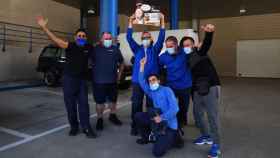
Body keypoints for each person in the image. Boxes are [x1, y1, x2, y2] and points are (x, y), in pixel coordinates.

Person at [36, 16, 96, 138]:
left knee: (84, 105)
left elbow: (99, 46)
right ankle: (74, 127)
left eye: (83, 36)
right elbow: (55, 40)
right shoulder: (70, 46)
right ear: (75, 37)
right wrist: (44, 28)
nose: (81, 37)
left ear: (86, 38)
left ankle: (86, 127)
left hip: (82, 82)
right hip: (69, 80)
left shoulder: (89, 48)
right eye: (79, 36)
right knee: (70, 106)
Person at [180, 24, 221, 158]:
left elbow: (206, 44)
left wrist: (209, 34)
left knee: (212, 116)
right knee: (197, 115)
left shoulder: (199, 52)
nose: (186, 47)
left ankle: (216, 146)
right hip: (197, 89)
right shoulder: (186, 58)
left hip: (210, 86)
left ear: (193, 45)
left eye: (188, 44)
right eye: (184, 45)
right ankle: (206, 136)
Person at [126, 13, 166, 136]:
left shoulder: (155, 49)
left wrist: (162, 20)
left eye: (148, 37)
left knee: (150, 105)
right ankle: (135, 126)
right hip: (137, 82)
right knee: (136, 105)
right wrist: (130, 21)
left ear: (151, 40)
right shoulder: (137, 49)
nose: (145, 39)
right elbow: (129, 38)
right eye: (143, 37)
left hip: (151, 83)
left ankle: (149, 126)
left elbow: (161, 37)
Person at [135, 57, 179, 157]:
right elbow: (141, 81)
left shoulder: (167, 90)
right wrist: (142, 66)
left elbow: (175, 108)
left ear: (159, 81)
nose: (151, 82)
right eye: (150, 81)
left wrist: (162, 117)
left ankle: (175, 136)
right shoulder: (151, 92)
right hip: (157, 120)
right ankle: (146, 137)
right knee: (138, 116)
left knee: (157, 153)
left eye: (153, 80)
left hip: (168, 124)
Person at [91, 32, 125, 131]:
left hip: (112, 81)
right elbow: (89, 61)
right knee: (100, 102)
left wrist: (119, 75)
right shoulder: (95, 49)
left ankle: (112, 116)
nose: (108, 40)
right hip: (99, 82)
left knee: (113, 101)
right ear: (101, 39)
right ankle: (100, 119)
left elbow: (121, 62)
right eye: (106, 38)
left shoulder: (115, 49)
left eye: (110, 38)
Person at [159, 36, 192, 130]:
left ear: (177, 45)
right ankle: (172, 122)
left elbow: (196, 56)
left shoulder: (184, 53)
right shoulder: (163, 56)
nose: (169, 48)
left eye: (171, 46)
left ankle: (182, 122)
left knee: (184, 106)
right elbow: (157, 66)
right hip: (171, 86)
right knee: (170, 106)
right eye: (167, 46)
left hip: (185, 85)